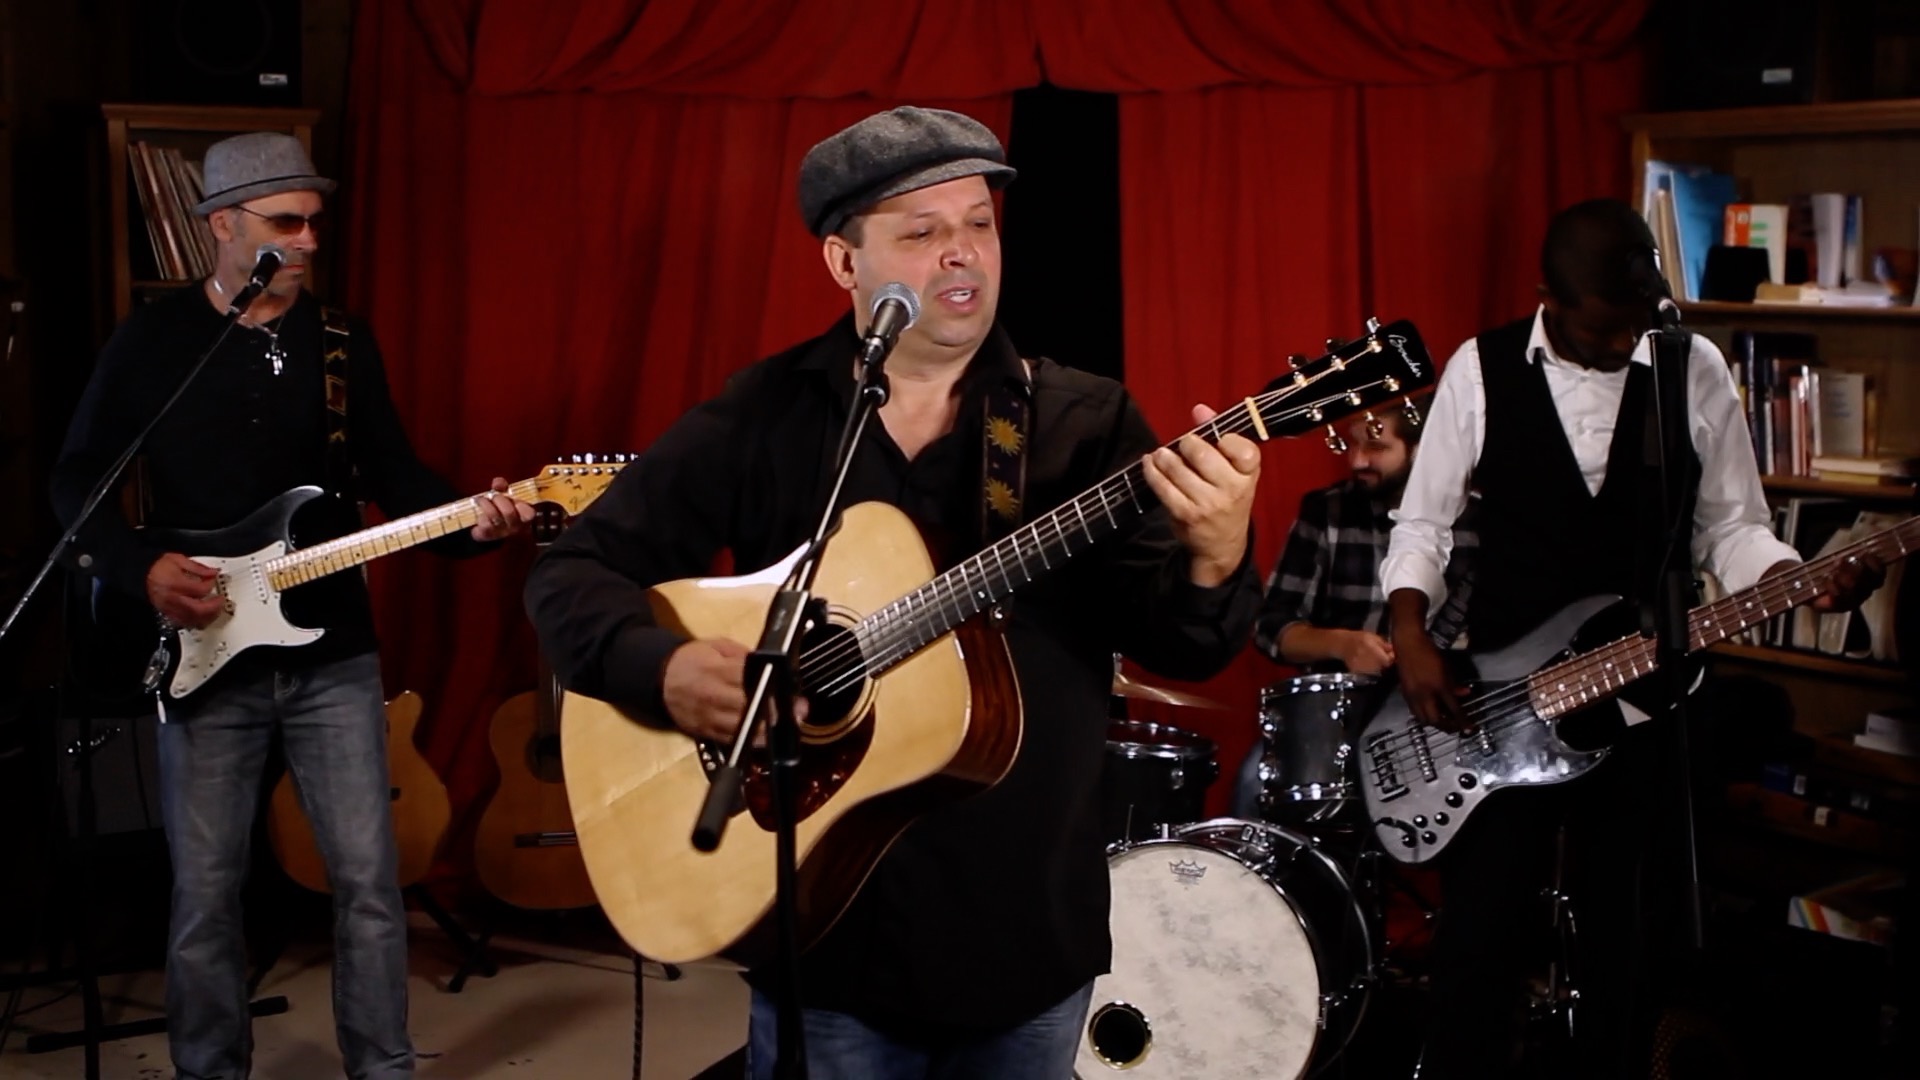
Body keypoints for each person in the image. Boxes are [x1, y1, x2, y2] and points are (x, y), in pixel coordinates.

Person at [523, 106, 1262, 1079]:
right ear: (844, 262)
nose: (962, 255)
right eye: (921, 232)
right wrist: (662, 669)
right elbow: (570, 571)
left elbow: (1180, 642)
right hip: (829, 936)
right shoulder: (766, 415)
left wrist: (1216, 552)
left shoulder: (1081, 423)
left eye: (979, 224)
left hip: (1022, 920)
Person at [51, 132, 534, 1080]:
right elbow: (76, 477)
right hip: (204, 648)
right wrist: (139, 566)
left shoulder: (342, 343)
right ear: (223, 226)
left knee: (367, 884)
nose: (308, 240)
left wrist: (471, 523)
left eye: (314, 221)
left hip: (334, 654)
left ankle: (382, 1067)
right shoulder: (156, 343)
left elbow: (394, 476)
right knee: (204, 894)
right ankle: (210, 1070)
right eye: (285, 222)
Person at [1379, 198, 1883, 1078]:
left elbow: (1732, 527)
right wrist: (1411, 631)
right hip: (1504, 700)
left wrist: (1787, 578)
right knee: (1480, 942)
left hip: (1649, 697)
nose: (1623, 347)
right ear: (1548, 298)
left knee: (1634, 943)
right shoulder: (1482, 367)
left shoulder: (1692, 368)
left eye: (1636, 325)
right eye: (1603, 332)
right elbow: (1421, 524)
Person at [1235, 394, 1474, 816]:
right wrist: (1343, 646)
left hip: (1444, 726)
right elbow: (1269, 627)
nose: (1357, 461)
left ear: (1421, 448)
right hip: (1334, 726)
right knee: (1254, 781)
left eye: (1376, 447)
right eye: (1352, 445)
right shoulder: (1326, 511)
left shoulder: (1476, 522)